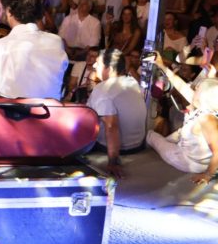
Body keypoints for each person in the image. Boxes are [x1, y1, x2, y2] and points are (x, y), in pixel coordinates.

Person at [85, 48, 146, 178]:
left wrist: (113, 161)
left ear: (110, 69)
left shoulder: (103, 89)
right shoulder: (132, 82)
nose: (94, 65)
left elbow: (111, 125)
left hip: (118, 149)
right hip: (138, 144)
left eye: (98, 63)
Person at [147, 76, 218, 185]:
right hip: (192, 156)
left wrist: (207, 175)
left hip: (187, 161)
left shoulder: (207, 119)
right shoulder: (204, 112)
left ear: (204, 94)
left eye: (197, 90)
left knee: (151, 135)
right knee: (171, 137)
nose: (193, 91)